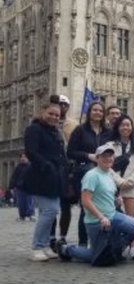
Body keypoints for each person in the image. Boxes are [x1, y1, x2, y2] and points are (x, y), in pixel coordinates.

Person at [56, 144, 134, 262]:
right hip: (96, 221)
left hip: (113, 216)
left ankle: (114, 249)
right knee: (95, 255)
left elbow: (105, 195)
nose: (108, 158)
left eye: (111, 156)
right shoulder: (92, 175)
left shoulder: (109, 174)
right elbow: (85, 201)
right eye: (104, 156)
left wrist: (116, 200)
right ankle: (65, 249)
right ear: (97, 158)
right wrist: (101, 217)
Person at [24, 103, 68, 261]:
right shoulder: (34, 129)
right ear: (42, 112)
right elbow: (31, 151)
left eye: (57, 115)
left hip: (55, 177)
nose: (54, 117)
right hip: (42, 176)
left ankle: (44, 245)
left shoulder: (55, 131)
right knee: (50, 211)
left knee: (49, 212)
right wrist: (46, 165)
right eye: (51, 113)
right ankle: (36, 246)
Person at [67, 101, 111, 247]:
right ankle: (83, 242)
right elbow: (70, 152)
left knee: (103, 206)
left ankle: (101, 241)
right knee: (86, 208)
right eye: (94, 110)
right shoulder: (80, 130)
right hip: (85, 172)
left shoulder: (107, 132)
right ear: (89, 112)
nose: (97, 113)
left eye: (100, 110)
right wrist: (88, 156)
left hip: (104, 173)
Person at [108, 115, 134, 259]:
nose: (125, 128)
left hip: (130, 187)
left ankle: (133, 247)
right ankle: (119, 245)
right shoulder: (110, 146)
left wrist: (127, 183)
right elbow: (107, 166)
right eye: (122, 125)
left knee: (132, 219)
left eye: (128, 125)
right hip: (112, 187)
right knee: (114, 217)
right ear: (118, 127)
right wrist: (119, 182)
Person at [49, 94, 78, 253]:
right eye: (59, 104)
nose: (61, 107)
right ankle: (51, 237)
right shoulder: (47, 122)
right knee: (51, 206)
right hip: (51, 167)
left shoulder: (73, 124)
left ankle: (62, 236)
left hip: (67, 168)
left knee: (65, 205)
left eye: (64, 105)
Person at [9, 153, 35, 221]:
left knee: (30, 201)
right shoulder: (18, 167)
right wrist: (11, 186)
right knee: (21, 202)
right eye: (22, 157)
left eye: (25, 157)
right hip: (20, 187)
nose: (23, 158)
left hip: (30, 187)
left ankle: (30, 215)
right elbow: (14, 177)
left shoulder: (31, 166)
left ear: (28, 158)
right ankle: (22, 215)